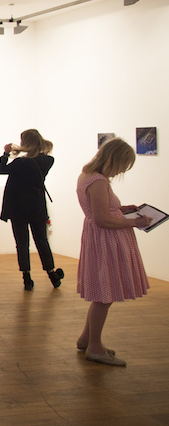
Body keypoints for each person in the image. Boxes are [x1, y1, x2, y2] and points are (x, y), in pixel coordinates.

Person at [76, 138, 151, 367]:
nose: (123, 170)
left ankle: (87, 339)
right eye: (123, 165)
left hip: (100, 240)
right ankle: (95, 348)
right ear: (114, 159)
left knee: (102, 292)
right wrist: (135, 222)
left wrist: (121, 209)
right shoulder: (98, 181)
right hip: (106, 241)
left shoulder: (87, 175)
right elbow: (102, 220)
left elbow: (102, 210)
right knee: (104, 296)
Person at [0, 129, 63, 291]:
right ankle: (52, 275)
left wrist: (5, 153)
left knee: (21, 243)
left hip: (17, 208)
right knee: (42, 241)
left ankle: (27, 278)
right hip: (37, 207)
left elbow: (2, 170)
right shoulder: (48, 160)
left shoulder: (21, 163)